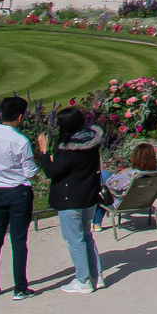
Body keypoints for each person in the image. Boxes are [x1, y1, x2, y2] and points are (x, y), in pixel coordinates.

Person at [34, 107, 104, 293]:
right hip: (89, 196)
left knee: (75, 239)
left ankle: (83, 280)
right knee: (87, 236)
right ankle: (96, 277)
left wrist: (43, 154)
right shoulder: (91, 140)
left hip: (70, 198)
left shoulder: (68, 148)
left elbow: (52, 172)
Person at [0, 95, 40, 300]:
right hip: (18, 192)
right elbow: (30, 173)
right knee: (19, 239)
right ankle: (20, 287)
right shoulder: (20, 141)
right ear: (20, 117)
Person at [97, 142, 157, 229]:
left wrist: (117, 174)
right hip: (144, 201)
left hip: (122, 203)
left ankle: (96, 222)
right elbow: (143, 169)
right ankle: (96, 223)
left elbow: (110, 184)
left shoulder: (130, 176)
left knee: (103, 177)